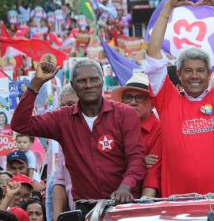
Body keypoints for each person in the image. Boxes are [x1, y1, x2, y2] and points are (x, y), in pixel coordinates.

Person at [143, 0, 214, 196]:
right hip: (176, 209)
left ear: (210, 74)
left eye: (200, 71)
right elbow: (153, 53)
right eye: (188, 71)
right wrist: (168, 8)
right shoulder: (167, 99)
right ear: (179, 75)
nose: (194, 76)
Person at [11, 59, 146, 216]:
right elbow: (20, 125)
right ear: (73, 86)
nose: (89, 85)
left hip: (123, 204)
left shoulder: (125, 114)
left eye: (94, 79)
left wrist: (126, 185)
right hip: (86, 209)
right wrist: (36, 84)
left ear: (102, 80)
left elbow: (136, 157)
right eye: (82, 81)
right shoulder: (62, 118)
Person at [111, 72, 162, 197]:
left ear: (152, 103)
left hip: (144, 199)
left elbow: (152, 175)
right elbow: (106, 163)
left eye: (140, 97)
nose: (133, 102)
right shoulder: (114, 126)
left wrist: (145, 207)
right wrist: (139, 163)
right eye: (128, 97)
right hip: (114, 194)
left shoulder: (160, 129)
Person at [51, 85, 78, 221]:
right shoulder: (64, 138)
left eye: (71, 104)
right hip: (76, 213)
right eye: (62, 106)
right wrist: (56, 217)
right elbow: (60, 180)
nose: (66, 109)